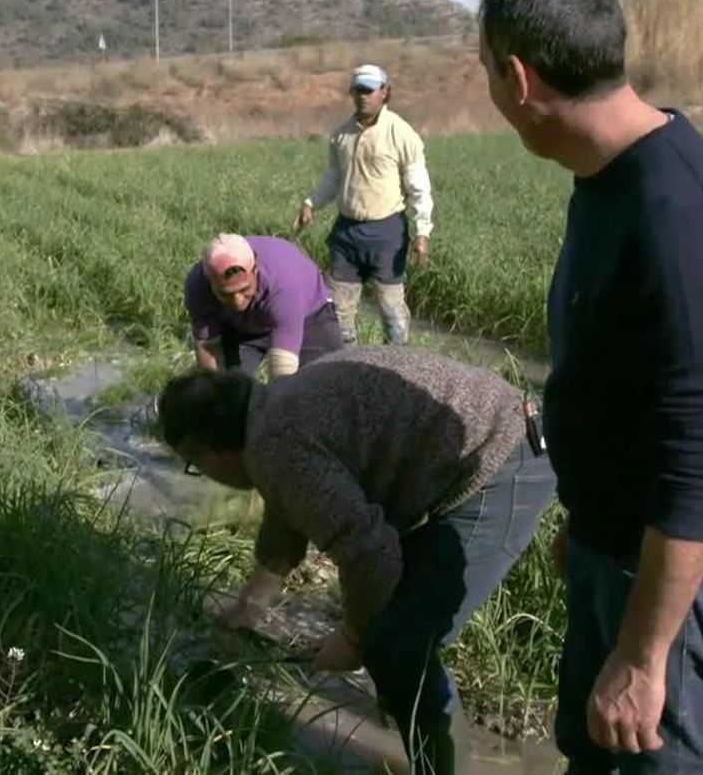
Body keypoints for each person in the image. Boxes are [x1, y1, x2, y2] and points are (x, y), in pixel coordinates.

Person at [473, 0, 703, 772]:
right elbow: (626, 382)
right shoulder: (611, 177)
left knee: (660, 763)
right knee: (590, 745)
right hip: (622, 544)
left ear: (517, 78)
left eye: (485, 74)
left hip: (690, 579)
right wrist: (588, 519)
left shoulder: (676, 211)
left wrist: (647, 654)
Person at [157, 346, 556, 775]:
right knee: (391, 628)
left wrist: (352, 639)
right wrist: (250, 605)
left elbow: (370, 552)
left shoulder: (274, 445)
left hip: (501, 459)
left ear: (209, 451)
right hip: (491, 435)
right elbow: (288, 509)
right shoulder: (272, 409)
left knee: (400, 643)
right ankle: (408, 716)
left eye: (192, 465)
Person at [292, 63, 434, 346]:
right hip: (347, 232)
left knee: (391, 309)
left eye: (369, 90)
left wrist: (422, 232)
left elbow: (418, 187)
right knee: (340, 310)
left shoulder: (401, 133)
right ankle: (347, 366)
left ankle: (397, 365)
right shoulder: (341, 135)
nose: (363, 96)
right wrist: (311, 204)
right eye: (358, 90)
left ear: (385, 93)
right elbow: (333, 177)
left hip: (387, 232)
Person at [183, 233, 342, 380]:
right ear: (210, 281)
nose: (237, 301)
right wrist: (214, 395)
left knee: (325, 381)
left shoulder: (283, 284)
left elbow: (283, 370)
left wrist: (278, 404)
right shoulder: (197, 286)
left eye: (244, 289)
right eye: (226, 294)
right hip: (241, 326)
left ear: (255, 271)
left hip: (308, 316)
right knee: (231, 390)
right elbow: (209, 348)